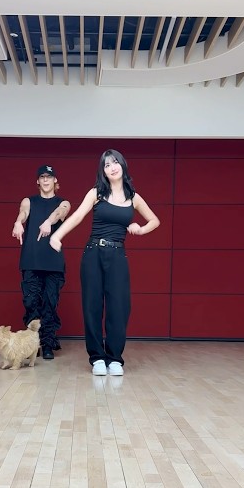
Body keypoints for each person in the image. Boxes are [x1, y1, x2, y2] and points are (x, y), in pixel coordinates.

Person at [48, 150, 160, 376]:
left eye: (115, 162)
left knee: (119, 307)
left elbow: (155, 220)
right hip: (93, 254)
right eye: (107, 165)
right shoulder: (96, 193)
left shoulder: (133, 197)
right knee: (92, 306)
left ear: (123, 165)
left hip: (117, 255)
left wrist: (140, 229)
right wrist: (56, 236)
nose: (112, 167)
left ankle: (115, 358)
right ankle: (97, 358)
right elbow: (77, 216)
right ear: (103, 171)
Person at [13, 164, 71, 359]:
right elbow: (23, 212)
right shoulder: (29, 201)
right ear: (37, 181)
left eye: (49, 177)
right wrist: (18, 222)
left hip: (53, 262)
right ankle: (33, 345)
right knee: (31, 302)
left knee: (49, 304)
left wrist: (48, 221)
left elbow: (60, 212)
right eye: (42, 177)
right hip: (31, 260)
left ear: (55, 180)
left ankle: (47, 344)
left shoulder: (63, 202)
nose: (46, 180)